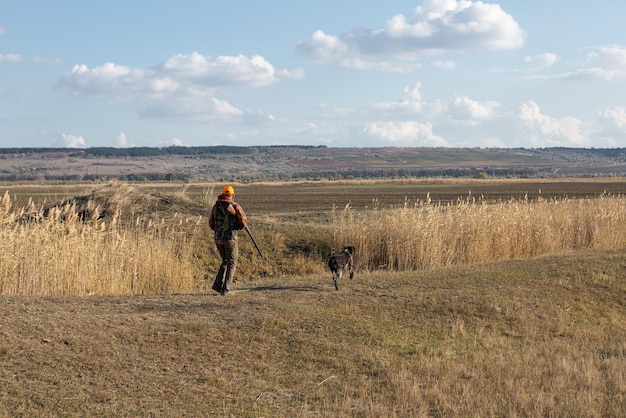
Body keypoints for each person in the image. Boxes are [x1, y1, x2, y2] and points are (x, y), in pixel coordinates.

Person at [209, 185, 247, 295]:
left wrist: (218, 232)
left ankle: (217, 285)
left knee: (225, 261)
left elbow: (211, 223)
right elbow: (243, 222)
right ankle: (226, 289)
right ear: (232, 195)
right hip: (231, 239)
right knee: (232, 262)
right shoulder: (235, 206)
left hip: (218, 239)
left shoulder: (215, 206)